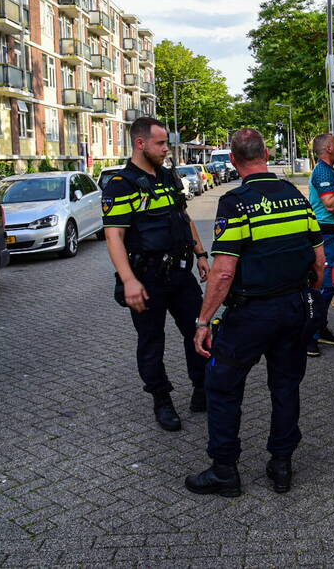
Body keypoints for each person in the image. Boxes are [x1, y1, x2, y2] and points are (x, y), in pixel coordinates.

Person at [185, 128, 325, 497]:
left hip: (251, 315)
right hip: (294, 308)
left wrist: (203, 321)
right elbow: (319, 260)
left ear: (233, 160)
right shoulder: (295, 196)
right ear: (266, 154)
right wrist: (308, 296)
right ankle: (281, 465)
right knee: (285, 386)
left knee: (222, 385)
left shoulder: (236, 202)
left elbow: (224, 271)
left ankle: (224, 470)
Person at [102, 117, 210, 432]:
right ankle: (162, 400)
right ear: (140, 144)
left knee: (199, 329)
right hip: (147, 279)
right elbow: (114, 236)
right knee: (152, 341)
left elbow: (183, 216)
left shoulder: (167, 176)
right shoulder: (120, 185)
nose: (166, 149)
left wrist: (200, 253)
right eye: (160, 143)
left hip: (181, 274)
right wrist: (129, 280)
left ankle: (202, 387)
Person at [305, 133, 334, 357]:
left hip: (333, 237)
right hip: (327, 237)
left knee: (328, 286)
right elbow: (330, 204)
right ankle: (309, 337)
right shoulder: (322, 171)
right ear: (329, 148)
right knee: (323, 287)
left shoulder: (328, 170)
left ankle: (320, 330)